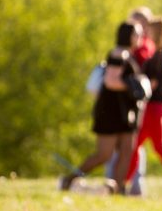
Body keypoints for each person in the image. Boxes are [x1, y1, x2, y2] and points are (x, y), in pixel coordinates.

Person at [116, 16, 162, 201]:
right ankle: (123, 184)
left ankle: (122, 185)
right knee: (150, 147)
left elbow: (153, 84)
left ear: (156, 32)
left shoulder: (158, 56)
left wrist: (133, 84)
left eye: (149, 30)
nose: (146, 34)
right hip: (157, 108)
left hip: (152, 108)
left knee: (141, 146)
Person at [61, 22, 144, 191]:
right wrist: (132, 85)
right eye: (136, 34)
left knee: (127, 150)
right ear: (127, 35)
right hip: (111, 111)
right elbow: (110, 81)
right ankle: (70, 179)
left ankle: (118, 188)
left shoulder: (128, 55)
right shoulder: (117, 54)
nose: (139, 38)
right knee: (104, 154)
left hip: (125, 112)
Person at [106, 7, 155, 196]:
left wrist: (134, 85)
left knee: (132, 145)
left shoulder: (145, 49)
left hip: (135, 103)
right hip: (123, 103)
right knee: (124, 146)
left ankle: (126, 184)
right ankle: (118, 183)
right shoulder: (125, 52)